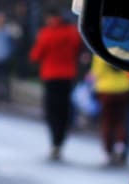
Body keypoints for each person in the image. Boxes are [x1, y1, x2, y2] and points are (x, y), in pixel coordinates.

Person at [28, 11, 83, 162]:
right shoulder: (72, 32)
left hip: (51, 76)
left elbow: (36, 55)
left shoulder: (47, 33)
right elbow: (78, 50)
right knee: (64, 110)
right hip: (67, 75)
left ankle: (54, 141)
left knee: (52, 111)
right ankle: (60, 140)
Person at [90, 54, 129, 166]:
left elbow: (97, 72)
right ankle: (120, 145)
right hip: (123, 88)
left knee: (107, 122)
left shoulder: (100, 51)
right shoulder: (125, 49)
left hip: (106, 89)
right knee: (120, 120)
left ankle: (107, 150)